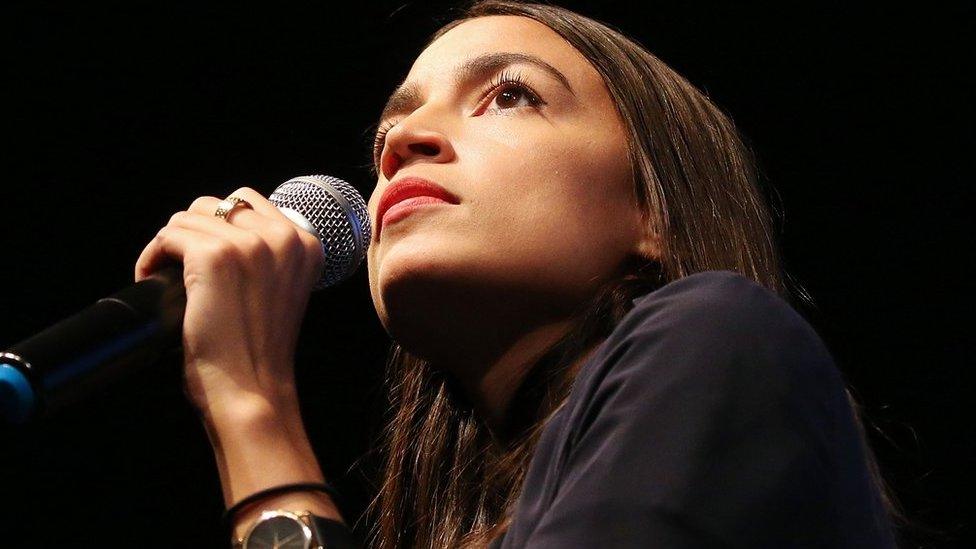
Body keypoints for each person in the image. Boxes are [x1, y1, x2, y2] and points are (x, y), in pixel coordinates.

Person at [134, 1, 900, 547]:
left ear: (655, 213)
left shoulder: (722, 333)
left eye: (508, 95)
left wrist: (251, 403)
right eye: (388, 132)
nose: (406, 139)